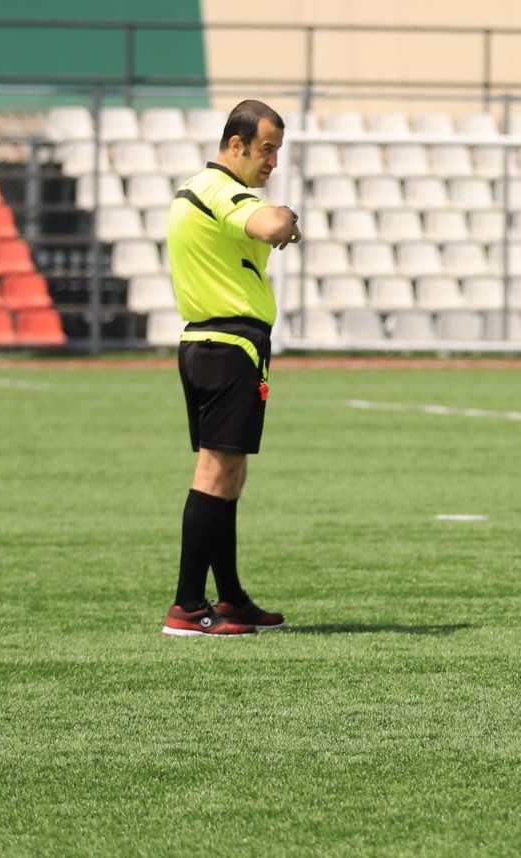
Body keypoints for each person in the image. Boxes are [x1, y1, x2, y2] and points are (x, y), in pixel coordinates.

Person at [161, 99, 300, 637]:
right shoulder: (222, 189)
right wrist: (288, 218)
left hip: (212, 343)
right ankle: (187, 605)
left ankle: (231, 599)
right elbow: (267, 223)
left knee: (229, 473)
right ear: (235, 145)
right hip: (226, 346)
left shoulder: (200, 190)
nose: (271, 163)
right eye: (266, 150)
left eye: (277, 152)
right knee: (216, 472)